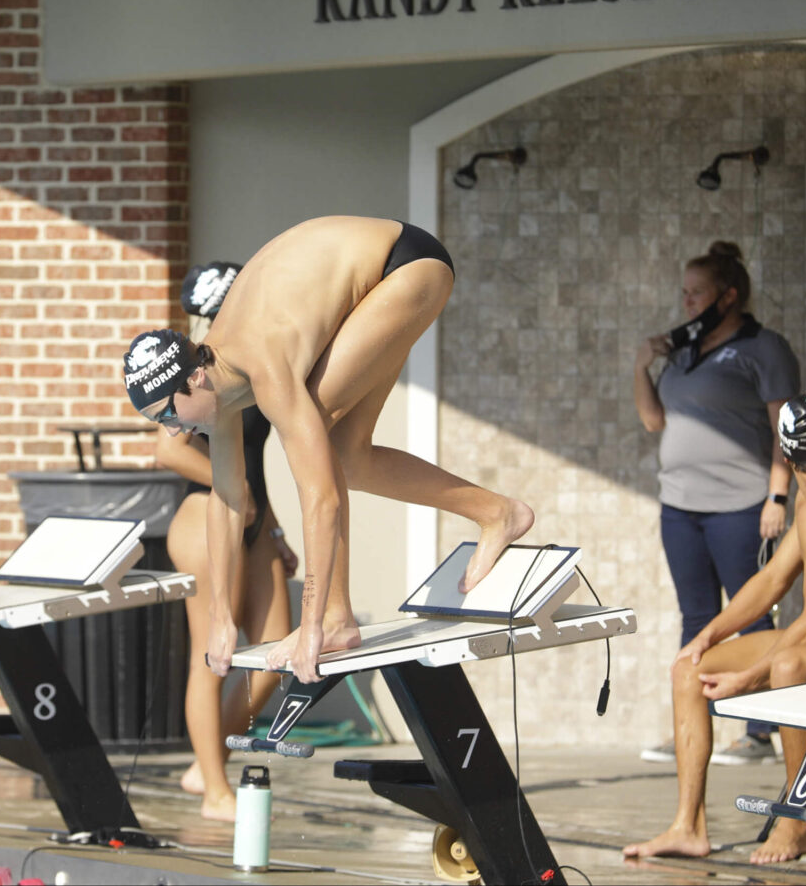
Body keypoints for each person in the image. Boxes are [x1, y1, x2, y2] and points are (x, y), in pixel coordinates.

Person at [121, 216, 534, 683]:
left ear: (194, 379)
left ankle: (336, 617)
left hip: (406, 264)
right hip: (376, 278)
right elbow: (229, 500)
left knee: (320, 439)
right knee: (348, 457)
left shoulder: (261, 363)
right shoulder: (220, 387)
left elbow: (323, 499)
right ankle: (498, 513)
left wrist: (311, 622)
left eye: (168, 416)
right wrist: (221, 619)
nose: (173, 432)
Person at [623, 392, 806, 863]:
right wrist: (708, 636)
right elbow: (772, 579)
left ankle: (795, 822)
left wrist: (749, 676)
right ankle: (687, 826)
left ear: (789, 455)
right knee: (688, 668)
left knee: (789, 666)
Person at [633, 240, 800, 765]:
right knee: (697, 616)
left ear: (727, 296)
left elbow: (786, 432)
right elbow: (653, 421)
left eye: (696, 292)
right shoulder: (682, 351)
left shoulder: (763, 347)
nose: (686, 302)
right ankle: (694, 724)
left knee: (751, 618)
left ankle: (760, 731)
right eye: (683, 293)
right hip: (680, 507)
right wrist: (642, 367)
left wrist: (778, 495)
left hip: (742, 506)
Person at [156, 261, 299, 822]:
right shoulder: (191, 369)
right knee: (208, 659)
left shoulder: (245, 359)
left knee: (273, 654)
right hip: (205, 515)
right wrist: (228, 486)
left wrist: (277, 528)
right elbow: (167, 451)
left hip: (256, 519)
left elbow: (257, 459)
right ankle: (216, 790)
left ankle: (204, 760)